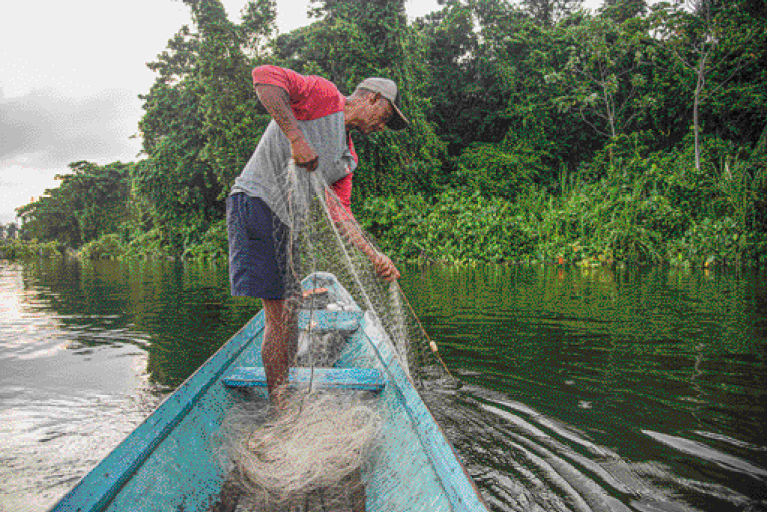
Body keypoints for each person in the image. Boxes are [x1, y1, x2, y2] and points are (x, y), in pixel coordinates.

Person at [227, 65, 407, 406]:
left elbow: (341, 214)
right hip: (255, 203)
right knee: (280, 315)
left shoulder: (347, 158)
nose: (383, 127)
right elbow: (264, 77)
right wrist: (296, 138)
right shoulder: (323, 95)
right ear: (372, 98)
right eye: (385, 117)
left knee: (290, 310)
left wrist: (375, 257)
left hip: (284, 224)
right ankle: (281, 411)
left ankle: (283, 398)